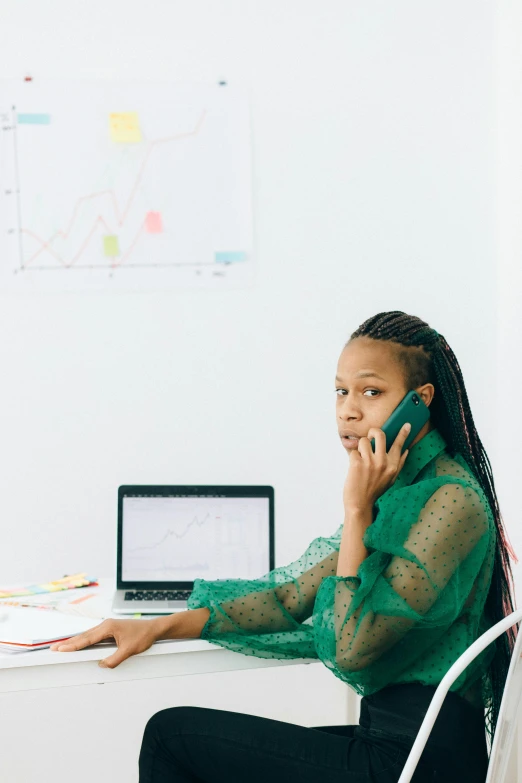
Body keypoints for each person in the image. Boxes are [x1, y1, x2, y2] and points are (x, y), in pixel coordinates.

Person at [51, 310, 517, 782]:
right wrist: (158, 626)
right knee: (204, 748)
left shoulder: (449, 499)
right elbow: (290, 595)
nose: (348, 411)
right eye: (341, 391)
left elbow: (351, 645)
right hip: (391, 744)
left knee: (172, 738)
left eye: (371, 392)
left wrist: (356, 511)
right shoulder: (400, 487)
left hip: (420, 763)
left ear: (420, 401)